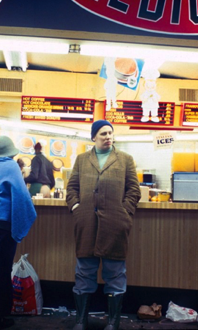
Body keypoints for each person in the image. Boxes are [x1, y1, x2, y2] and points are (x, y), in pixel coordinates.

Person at [66, 119, 141, 330]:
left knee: (115, 272)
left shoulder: (125, 159)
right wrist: (76, 207)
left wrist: (124, 212)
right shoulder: (82, 159)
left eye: (110, 133)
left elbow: (134, 190)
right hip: (86, 223)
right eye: (103, 134)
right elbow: (71, 188)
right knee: (84, 271)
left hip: (115, 225)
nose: (108, 137)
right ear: (93, 138)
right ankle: (81, 320)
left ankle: (113, 322)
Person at [0, 136, 37, 330]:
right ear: (10, 151)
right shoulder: (11, 166)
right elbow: (21, 195)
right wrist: (29, 215)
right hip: (3, 222)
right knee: (2, 270)